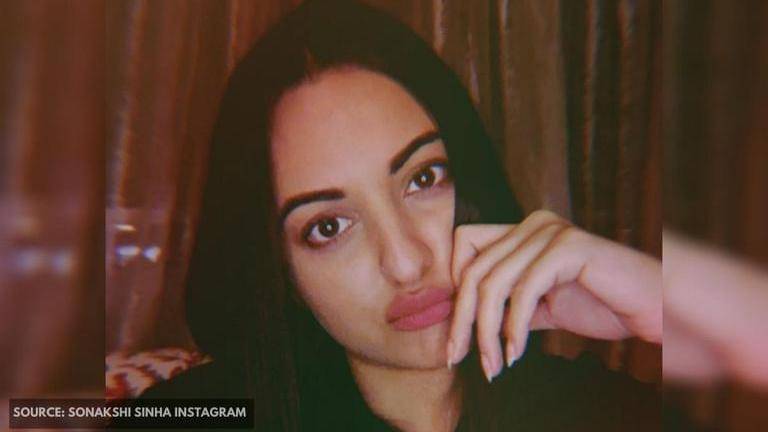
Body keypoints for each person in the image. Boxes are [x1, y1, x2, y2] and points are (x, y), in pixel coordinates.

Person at [141, 0, 663, 430]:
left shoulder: (605, 413)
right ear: (281, 270)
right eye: (328, 227)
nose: (406, 261)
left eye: (423, 179)